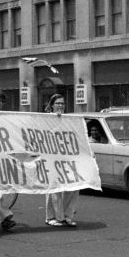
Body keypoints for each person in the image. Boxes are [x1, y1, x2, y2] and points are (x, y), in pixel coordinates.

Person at [43, 94, 79, 227]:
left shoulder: (68, 120)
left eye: (62, 103)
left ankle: (67, 215)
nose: (60, 106)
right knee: (54, 189)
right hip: (51, 158)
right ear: (52, 105)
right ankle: (52, 217)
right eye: (57, 103)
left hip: (67, 158)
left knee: (74, 186)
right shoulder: (45, 119)